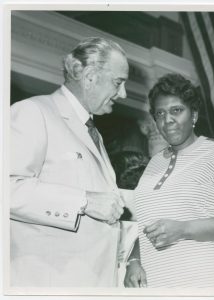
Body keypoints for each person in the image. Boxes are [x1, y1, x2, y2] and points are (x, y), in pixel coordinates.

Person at [10, 37, 129, 287]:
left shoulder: (94, 133)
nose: (123, 94)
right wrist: (83, 201)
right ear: (88, 76)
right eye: (118, 83)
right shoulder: (33, 112)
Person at [124, 73, 214, 290]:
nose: (167, 120)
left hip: (206, 285)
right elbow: (148, 225)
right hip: (157, 287)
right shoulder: (153, 163)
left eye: (176, 111)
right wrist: (134, 260)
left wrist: (184, 229)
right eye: (160, 113)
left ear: (194, 115)